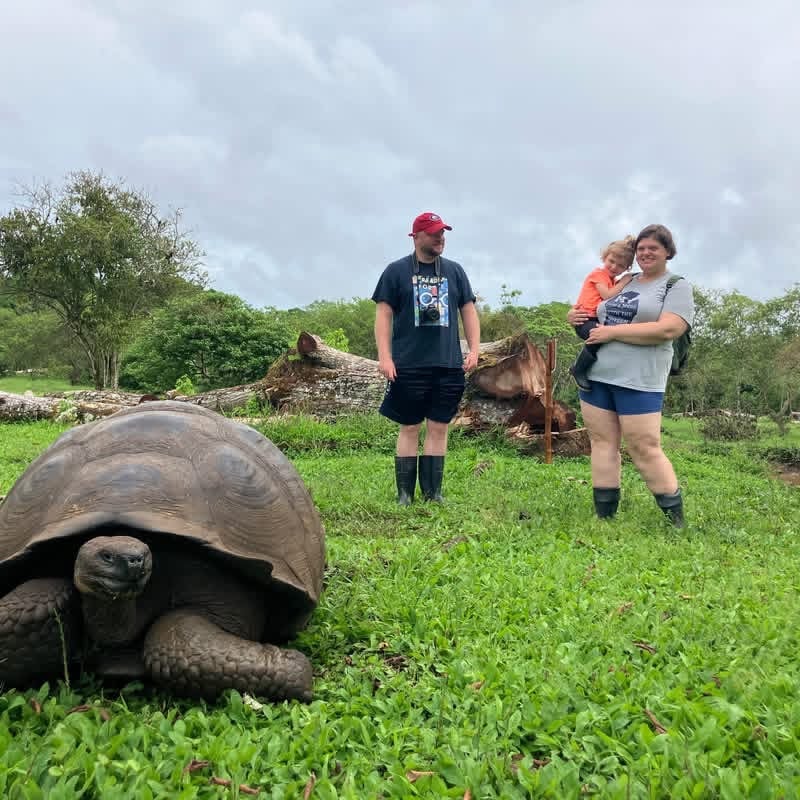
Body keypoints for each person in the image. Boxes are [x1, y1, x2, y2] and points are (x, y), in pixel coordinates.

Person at [566, 223, 694, 527]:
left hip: (641, 380)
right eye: (641, 249)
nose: (646, 253)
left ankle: (675, 520)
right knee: (601, 442)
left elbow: (669, 328)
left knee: (644, 446)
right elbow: (596, 313)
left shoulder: (675, 285)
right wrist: (574, 316)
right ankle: (605, 516)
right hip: (597, 375)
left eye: (654, 248)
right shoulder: (625, 280)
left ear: (668, 252)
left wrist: (612, 332)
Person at [372, 211, 480, 505]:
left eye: (442, 232)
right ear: (417, 237)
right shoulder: (396, 272)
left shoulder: (455, 271)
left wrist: (474, 349)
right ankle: (404, 494)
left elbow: (468, 309)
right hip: (408, 362)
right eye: (433, 233)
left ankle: (433, 493)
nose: (440, 238)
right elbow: (383, 314)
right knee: (409, 426)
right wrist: (385, 357)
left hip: (447, 363)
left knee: (439, 426)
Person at [569, 236, 636, 390]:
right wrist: (624, 282)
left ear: (626, 268)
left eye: (620, 266)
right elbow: (607, 295)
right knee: (598, 338)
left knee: (605, 338)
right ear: (605, 257)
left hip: (594, 319)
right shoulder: (598, 274)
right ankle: (579, 369)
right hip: (585, 319)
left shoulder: (611, 280)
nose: (614, 267)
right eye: (611, 261)